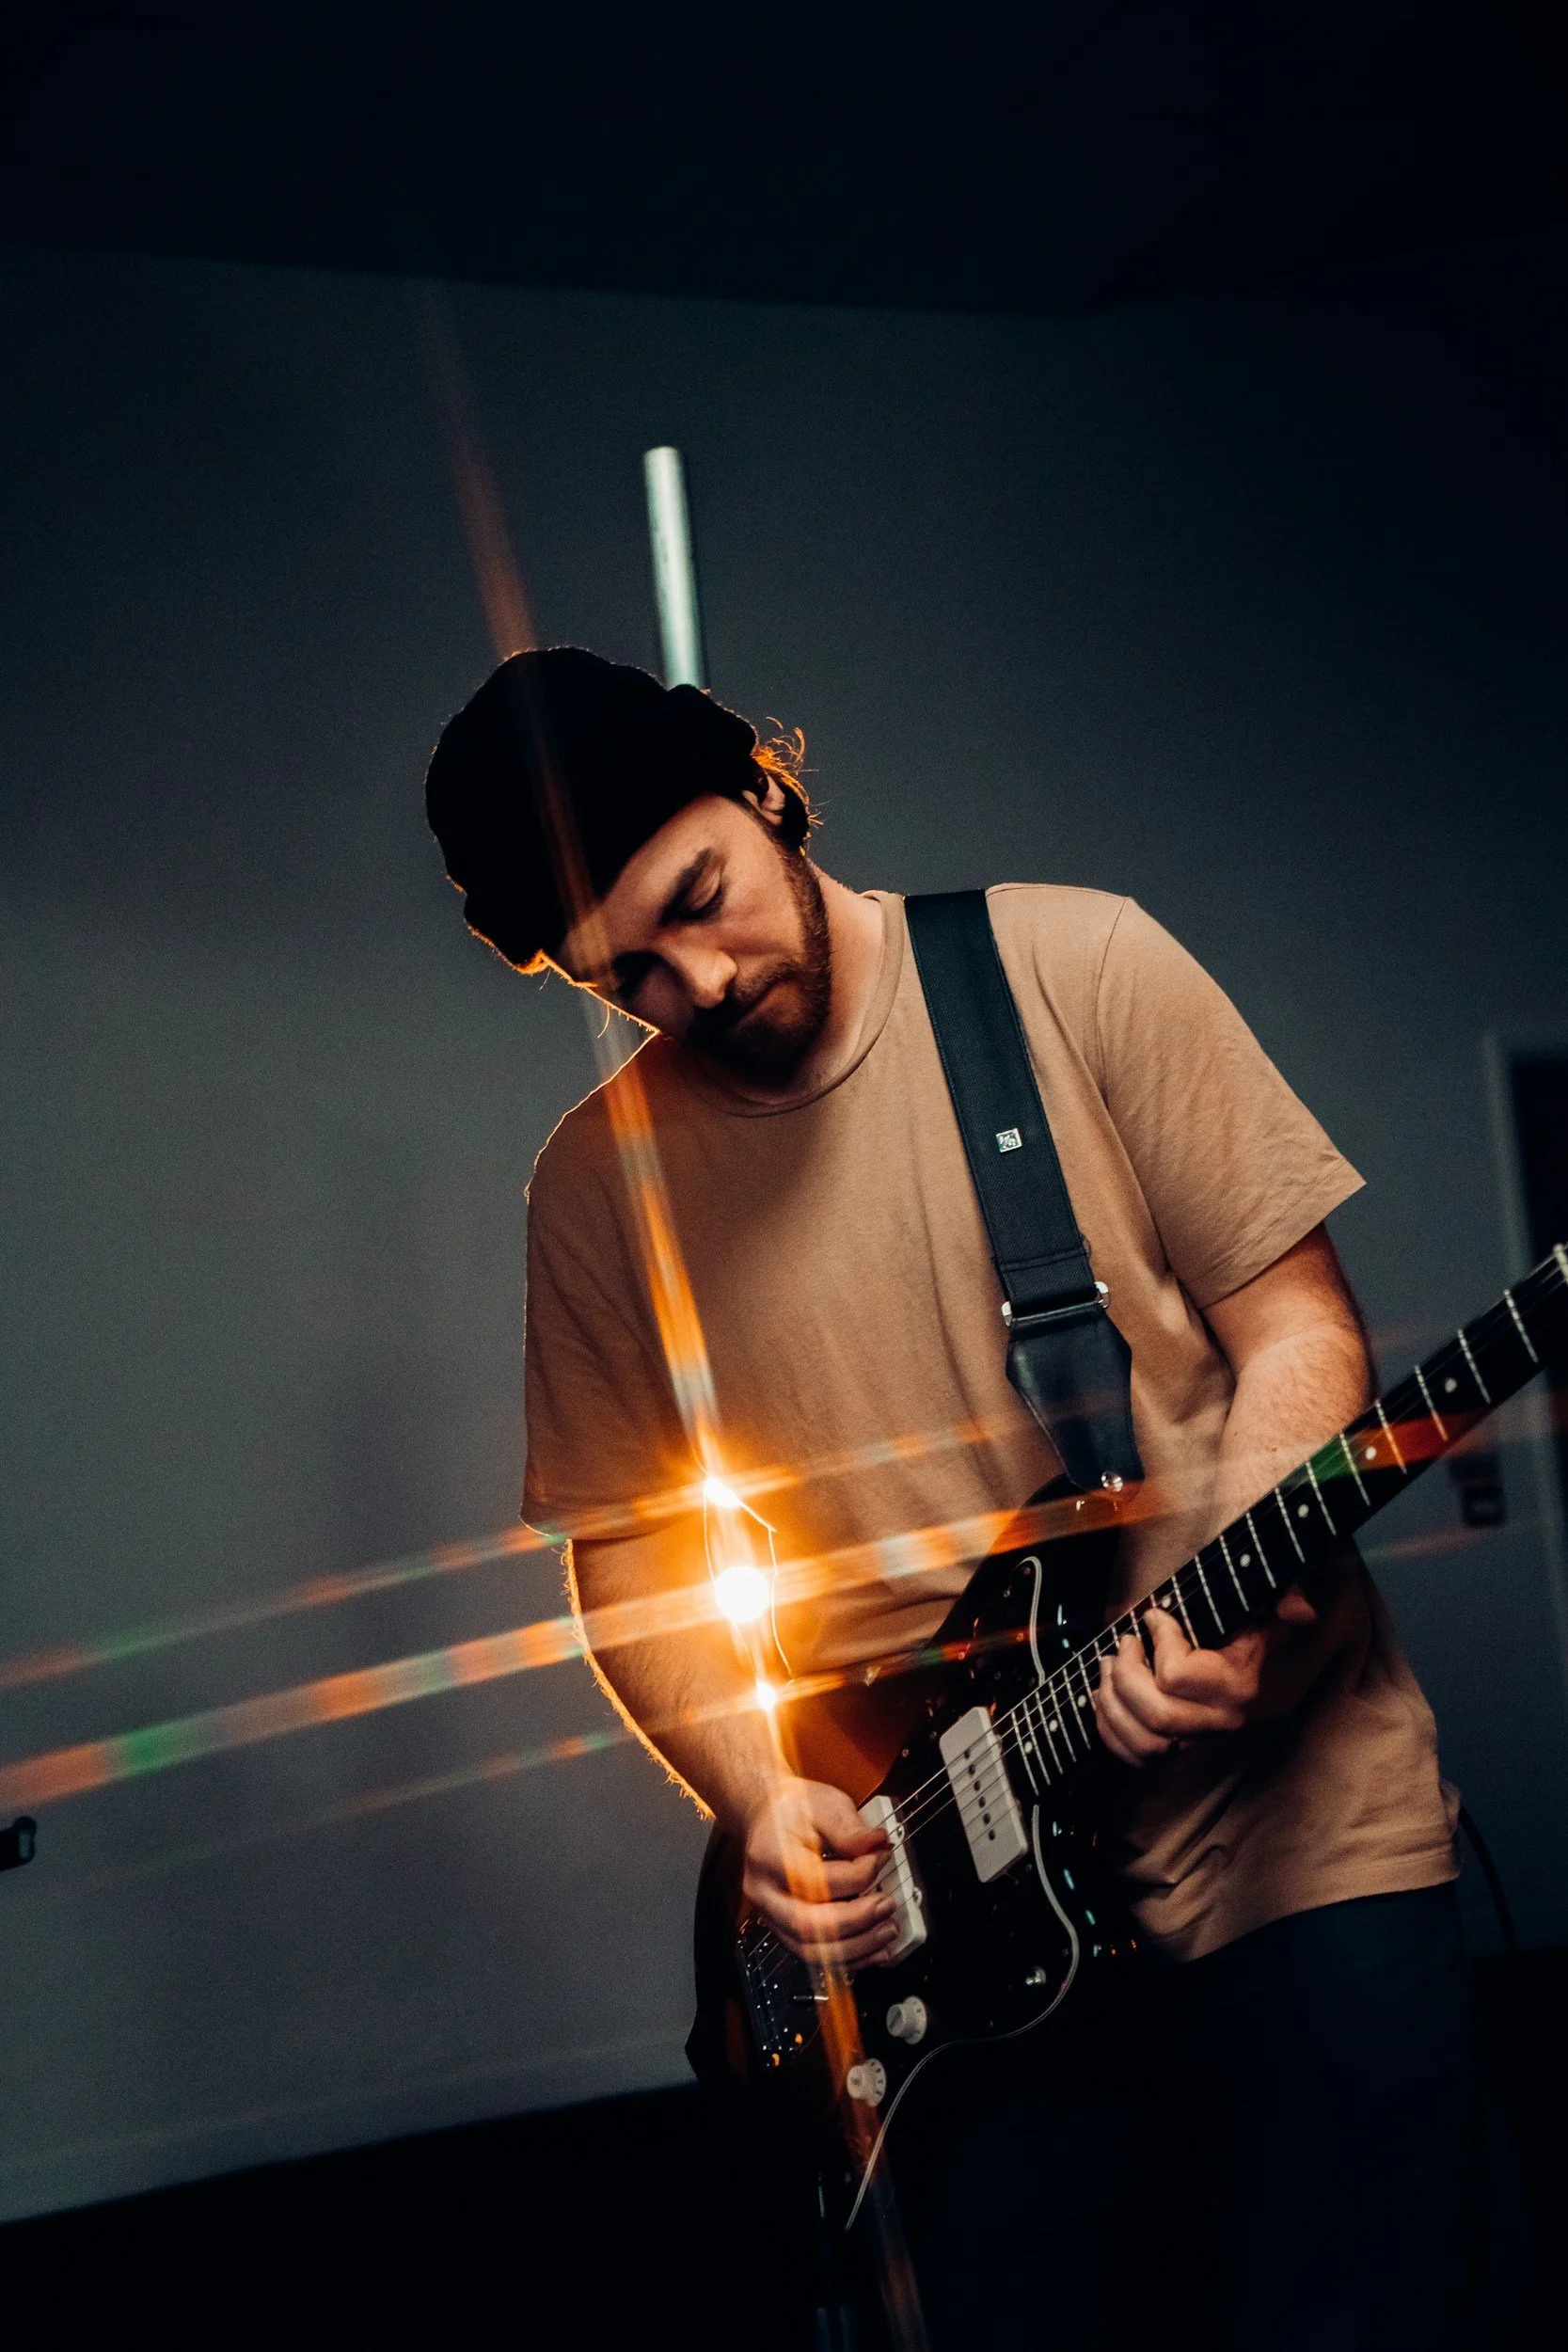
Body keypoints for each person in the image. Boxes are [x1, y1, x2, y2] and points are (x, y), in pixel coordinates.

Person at [424, 647, 1485, 2350]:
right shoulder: (591, 1192)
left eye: (700, 897)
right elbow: (632, 1556)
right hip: (944, 1907)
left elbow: (1292, 1324)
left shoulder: (1075, 965)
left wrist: (1232, 1564)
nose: (695, 981)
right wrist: (757, 1787)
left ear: (765, 787)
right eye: (629, 974)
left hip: (1293, 1831)